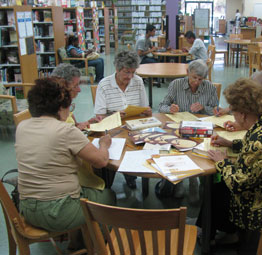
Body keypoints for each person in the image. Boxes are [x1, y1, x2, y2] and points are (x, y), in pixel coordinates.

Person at [200, 78, 262, 253]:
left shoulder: (260, 141)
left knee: (219, 188)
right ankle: (225, 233)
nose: (234, 117)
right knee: (219, 187)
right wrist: (230, 144)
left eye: (234, 112)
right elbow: (253, 143)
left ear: (243, 114)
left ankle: (212, 238)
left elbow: (239, 184)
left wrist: (222, 162)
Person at [16, 77, 116, 233]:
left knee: (85, 188)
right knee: (108, 196)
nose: (70, 110)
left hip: (26, 208)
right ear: (60, 107)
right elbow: (101, 161)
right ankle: (101, 245)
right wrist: (104, 144)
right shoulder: (65, 130)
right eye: (70, 106)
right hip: (57, 212)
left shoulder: (22, 127)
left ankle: (78, 240)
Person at [158, 59, 218, 200]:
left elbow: (216, 112)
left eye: (200, 79)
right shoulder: (176, 84)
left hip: (200, 131)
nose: (197, 82)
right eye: (194, 78)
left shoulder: (210, 87)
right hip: (179, 129)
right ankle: (180, 180)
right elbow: (161, 106)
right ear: (187, 73)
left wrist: (204, 108)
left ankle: (193, 182)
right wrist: (170, 109)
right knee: (177, 145)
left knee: (199, 147)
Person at [94, 50, 152, 189]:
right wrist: (114, 116)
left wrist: (147, 110)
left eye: (133, 72)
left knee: (149, 145)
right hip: (114, 129)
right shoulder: (104, 84)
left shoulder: (137, 81)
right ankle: (124, 175)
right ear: (117, 69)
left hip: (136, 127)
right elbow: (99, 117)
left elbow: (145, 108)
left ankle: (132, 173)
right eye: (126, 72)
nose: (130, 76)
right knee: (116, 148)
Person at [51, 63, 102, 130]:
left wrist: (88, 122)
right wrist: (77, 129)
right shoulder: (52, 110)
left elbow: (74, 125)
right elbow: (60, 135)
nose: (79, 90)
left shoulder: (65, 104)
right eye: (75, 86)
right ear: (62, 86)